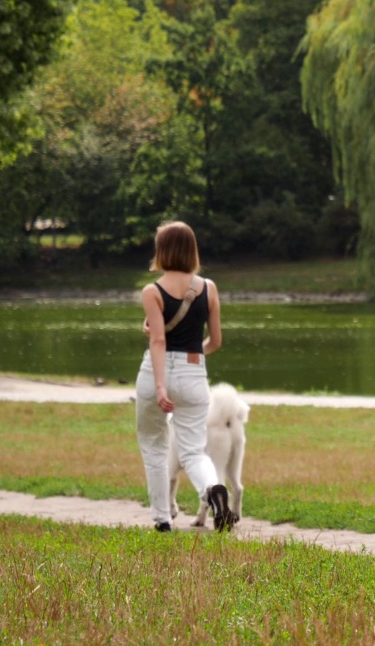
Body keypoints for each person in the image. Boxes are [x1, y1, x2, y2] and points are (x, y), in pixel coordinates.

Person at [135, 221, 233, 532]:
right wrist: (190, 361)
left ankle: (162, 518)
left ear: (160, 251)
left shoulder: (152, 291)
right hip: (195, 373)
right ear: (192, 250)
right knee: (193, 450)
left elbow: (158, 341)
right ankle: (212, 490)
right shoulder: (210, 288)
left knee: (154, 445)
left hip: (156, 374)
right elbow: (215, 342)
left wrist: (162, 385)